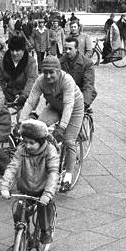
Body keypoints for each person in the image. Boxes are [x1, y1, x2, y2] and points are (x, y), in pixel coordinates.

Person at [18, 55, 84, 190]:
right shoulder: (41, 80)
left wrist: (62, 127)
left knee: (69, 140)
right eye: (45, 72)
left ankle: (68, 176)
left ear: (58, 72)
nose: (47, 76)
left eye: (51, 72)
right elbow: (31, 101)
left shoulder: (67, 81)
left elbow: (69, 105)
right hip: (54, 106)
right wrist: (20, 122)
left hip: (73, 108)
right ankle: (44, 161)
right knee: (39, 130)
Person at [0, 119, 59, 251]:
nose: (27, 145)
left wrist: (48, 194)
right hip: (26, 188)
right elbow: (12, 167)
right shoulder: (21, 150)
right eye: (25, 142)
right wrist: (4, 186)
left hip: (43, 190)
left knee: (44, 210)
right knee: (19, 214)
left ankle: (46, 232)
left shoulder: (50, 151)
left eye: (32, 143)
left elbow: (53, 173)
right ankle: (21, 240)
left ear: (41, 141)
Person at [0, 35, 38, 107]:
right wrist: (0, 93)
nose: (14, 53)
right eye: (12, 50)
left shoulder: (30, 62)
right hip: (9, 94)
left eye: (17, 50)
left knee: (22, 115)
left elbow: (32, 80)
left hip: (25, 95)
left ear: (23, 50)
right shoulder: (4, 61)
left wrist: (24, 95)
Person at [60, 37, 97, 110]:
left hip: (81, 93)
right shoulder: (60, 61)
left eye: (70, 49)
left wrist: (84, 103)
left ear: (76, 49)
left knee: (76, 118)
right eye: (65, 49)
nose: (67, 51)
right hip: (66, 94)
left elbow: (88, 84)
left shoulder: (87, 63)